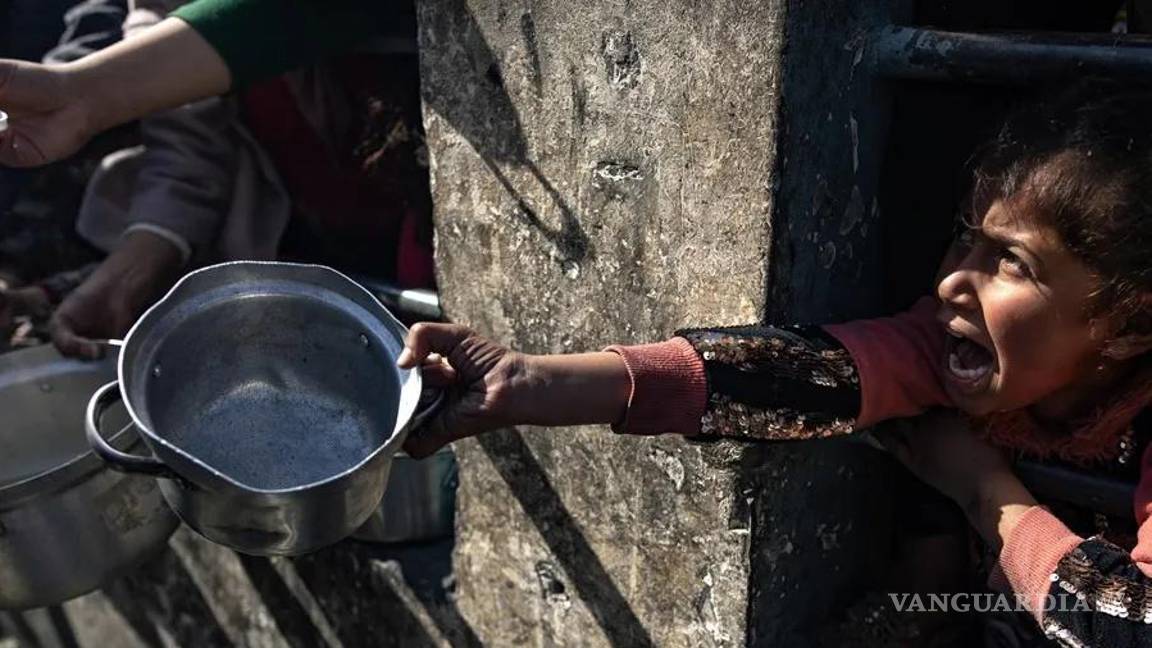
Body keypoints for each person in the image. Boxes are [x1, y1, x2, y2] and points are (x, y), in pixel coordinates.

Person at [396, 86, 1152, 644]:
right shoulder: (957, 341)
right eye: (966, 240)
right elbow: (786, 375)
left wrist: (988, 494)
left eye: (1011, 263)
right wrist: (521, 382)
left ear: (1126, 325)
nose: (953, 279)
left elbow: (1132, 628)